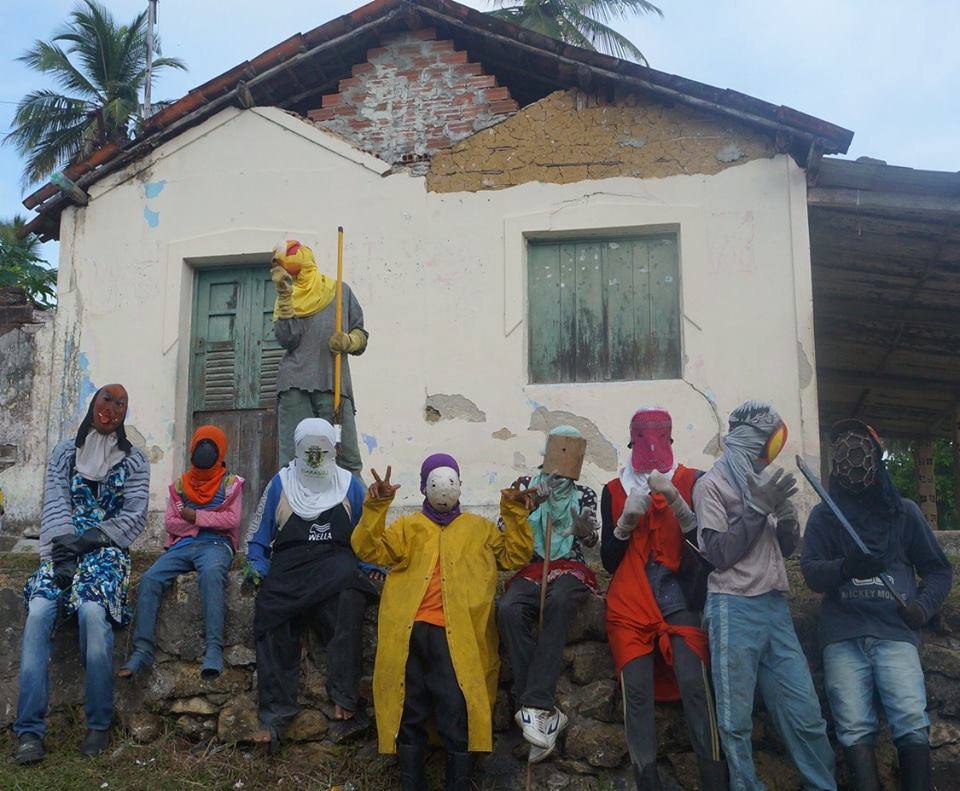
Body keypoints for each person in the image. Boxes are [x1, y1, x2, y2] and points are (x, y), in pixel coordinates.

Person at [351, 455, 534, 790]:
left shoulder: (479, 528)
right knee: (410, 707)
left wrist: (515, 513)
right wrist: (376, 505)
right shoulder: (407, 526)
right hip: (409, 633)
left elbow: (515, 556)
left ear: (459, 484)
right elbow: (367, 549)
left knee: (456, 706)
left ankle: (458, 782)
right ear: (424, 487)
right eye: (434, 481)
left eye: (450, 480)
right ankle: (411, 782)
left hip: (458, 637)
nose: (442, 488)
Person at [801, 420, 952, 791]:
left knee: (911, 720)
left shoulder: (904, 513)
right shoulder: (825, 515)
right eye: (844, 450)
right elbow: (810, 571)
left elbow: (938, 570)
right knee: (852, 726)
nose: (852, 458)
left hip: (895, 634)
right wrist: (845, 567)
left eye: (860, 449)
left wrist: (922, 607)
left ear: (874, 457)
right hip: (842, 637)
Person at [694, 400, 836, 791]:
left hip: (774, 606)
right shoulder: (711, 485)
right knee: (735, 719)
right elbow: (719, 556)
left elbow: (786, 550)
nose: (767, 456)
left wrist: (788, 521)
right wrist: (757, 508)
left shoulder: (766, 482)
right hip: (732, 605)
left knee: (804, 713)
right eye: (766, 445)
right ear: (747, 440)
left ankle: (822, 784)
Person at [14, 385, 149, 764]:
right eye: (106, 399)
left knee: (92, 612)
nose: (112, 408)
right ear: (94, 403)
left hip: (105, 552)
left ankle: (98, 723)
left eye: (121, 403)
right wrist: (62, 553)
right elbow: (55, 502)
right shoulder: (63, 453)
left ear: (126, 411)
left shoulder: (134, 461)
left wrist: (92, 539)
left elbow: (134, 515)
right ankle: (28, 731)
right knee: (40, 611)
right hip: (62, 550)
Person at [602, 408, 726, 790]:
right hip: (630, 600)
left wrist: (681, 508)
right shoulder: (615, 490)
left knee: (695, 682)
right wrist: (624, 525)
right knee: (635, 692)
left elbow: (709, 552)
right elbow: (609, 560)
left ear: (671, 440)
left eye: (658, 438)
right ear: (631, 441)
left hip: (678, 594)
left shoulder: (694, 481)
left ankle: (715, 778)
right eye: (641, 438)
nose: (651, 446)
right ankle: (647, 781)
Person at [244, 418, 377, 750]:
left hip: (336, 564)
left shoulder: (350, 484)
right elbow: (258, 536)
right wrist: (257, 565)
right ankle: (275, 717)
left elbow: (367, 533)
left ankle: (346, 699)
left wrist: (370, 565)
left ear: (333, 449)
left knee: (348, 604)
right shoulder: (281, 483)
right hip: (289, 566)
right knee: (271, 615)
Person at [496, 425, 599, 762]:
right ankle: (541, 712)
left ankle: (535, 706)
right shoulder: (526, 487)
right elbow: (504, 529)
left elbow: (590, 540)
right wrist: (533, 500)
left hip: (570, 567)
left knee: (559, 601)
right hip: (533, 566)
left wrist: (585, 534)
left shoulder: (585, 494)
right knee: (509, 608)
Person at [120, 425, 244, 680]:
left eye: (210, 445)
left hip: (217, 545)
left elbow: (231, 520)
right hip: (183, 544)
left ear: (220, 451)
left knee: (211, 575)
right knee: (150, 579)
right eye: (200, 444)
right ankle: (142, 650)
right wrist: (202, 520)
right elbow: (171, 523)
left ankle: (213, 650)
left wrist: (195, 515)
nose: (204, 450)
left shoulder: (230, 483)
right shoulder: (180, 484)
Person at [272, 239, 368, 474]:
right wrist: (285, 299)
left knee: (346, 460)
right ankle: (293, 509)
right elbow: (287, 339)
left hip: (333, 383)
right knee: (295, 460)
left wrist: (349, 341)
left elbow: (361, 335)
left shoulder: (340, 291)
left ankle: (353, 509)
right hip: (295, 385)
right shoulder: (287, 295)